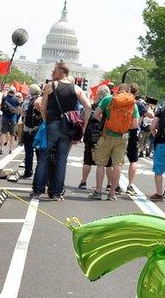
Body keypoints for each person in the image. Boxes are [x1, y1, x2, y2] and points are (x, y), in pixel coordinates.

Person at [36, 62, 91, 200]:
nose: (53, 73)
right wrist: (83, 125)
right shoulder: (77, 88)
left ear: (61, 71)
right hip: (68, 127)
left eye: (54, 71)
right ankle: (57, 192)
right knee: (62, 160)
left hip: (52, 124)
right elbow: (88, 107)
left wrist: (45, 120)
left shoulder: (51, 85)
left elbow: (43, 107)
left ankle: (37, 189)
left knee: (43, 157)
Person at [89, 79, 139, 200]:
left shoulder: (108, 99)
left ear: (118, 90)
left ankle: (98, 191)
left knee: (101, 164)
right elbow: (134, 125)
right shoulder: (133, 103)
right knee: (117, 165)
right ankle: (112, 193)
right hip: (122, 137)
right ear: (128, 92)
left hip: (106, 135)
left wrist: (106, 123)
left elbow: (95, 115)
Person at [80, 84, 110, 190]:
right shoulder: (109, 107)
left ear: (98, 95)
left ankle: (83, 182)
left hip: (90, 135)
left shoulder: (91, 107)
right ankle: (109, 184)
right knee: (107, 162)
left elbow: (84, 119)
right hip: (105, 135)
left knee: (87, 160)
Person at [124, 84, 151, 195]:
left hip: (119, 131)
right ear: (136, 92)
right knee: (133, 160)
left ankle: (112, 185)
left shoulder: (119, 100)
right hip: (133, 132)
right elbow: (151, 115)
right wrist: (147, 105)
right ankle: (130, 185)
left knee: (117, 161)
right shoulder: (138, 103)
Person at [20, 84, 42, 178]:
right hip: (38, 130)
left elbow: (22, 113)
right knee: (39, 153)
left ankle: (28, 171)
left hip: (27, 129)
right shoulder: (42, 100)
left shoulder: (27, 101)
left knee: (28, 152)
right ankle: (40, 173)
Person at [0, 86, 20, 154]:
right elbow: (18, 109)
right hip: (13, 117)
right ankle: (10, 149)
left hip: (5, 116)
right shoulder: (16, 99)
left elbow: (1, 107)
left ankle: (1, 149)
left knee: (3, 133)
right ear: (14, 92)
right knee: (12, 134)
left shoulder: (4, 98)